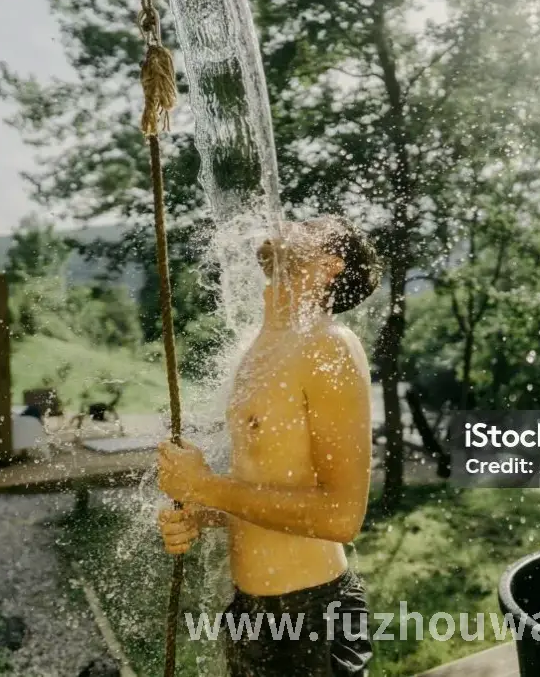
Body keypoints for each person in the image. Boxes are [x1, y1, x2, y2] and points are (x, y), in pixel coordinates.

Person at [156, 215, 381, 676]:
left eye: (311, 225)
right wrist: (205, 514)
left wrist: (206, 487)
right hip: (250, 613)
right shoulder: (260, 345)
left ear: (330, 266)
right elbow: (272, 486)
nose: (292, 222)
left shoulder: (328, 346)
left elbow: (341, 517)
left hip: (310, 614)